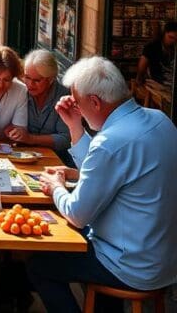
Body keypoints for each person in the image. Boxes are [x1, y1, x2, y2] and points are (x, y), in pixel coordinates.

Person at [28, 56, 177, 313]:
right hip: (164, 260)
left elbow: (77, 214)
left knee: (39, 263)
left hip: (129, 263)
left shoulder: (109, 142)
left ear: (95, 102)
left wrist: (56, 188)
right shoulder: (161, 120)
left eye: (80, 105)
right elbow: (109, 170)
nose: (79, 111)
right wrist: (75, 125)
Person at [5, 49, 72, 164]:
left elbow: (65, 139)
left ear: (51, 79)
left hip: (55, 161)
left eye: (37, 80)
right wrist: (11, 130)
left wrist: (30, 138)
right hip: (21, 157)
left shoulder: (63, 97)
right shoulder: (20, 90)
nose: (30, 84)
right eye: (27, 77)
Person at [136, 20, 176, 87]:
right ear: (164, 33)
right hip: (157, 81)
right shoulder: (152, 46)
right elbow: (142, 65)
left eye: (175, 39)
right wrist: (139, 77)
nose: (173, 41)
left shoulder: (174, 47)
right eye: (170, 37)